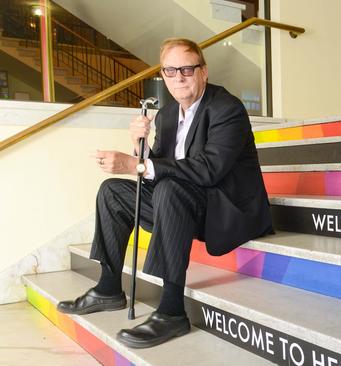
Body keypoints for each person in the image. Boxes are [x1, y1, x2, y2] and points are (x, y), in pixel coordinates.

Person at [57, 38, 273, 349]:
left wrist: (137, 165)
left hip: (226, 208)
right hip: (183, 205)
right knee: (112, 190)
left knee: (171, 190)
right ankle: (107, 289)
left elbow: (208, 170)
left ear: (204, 72)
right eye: (170, 71)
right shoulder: (169, 114)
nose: (179, 77)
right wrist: (139, 148)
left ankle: (172, 311)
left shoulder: (227, 108)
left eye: (187, 68)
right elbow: (159, 169)